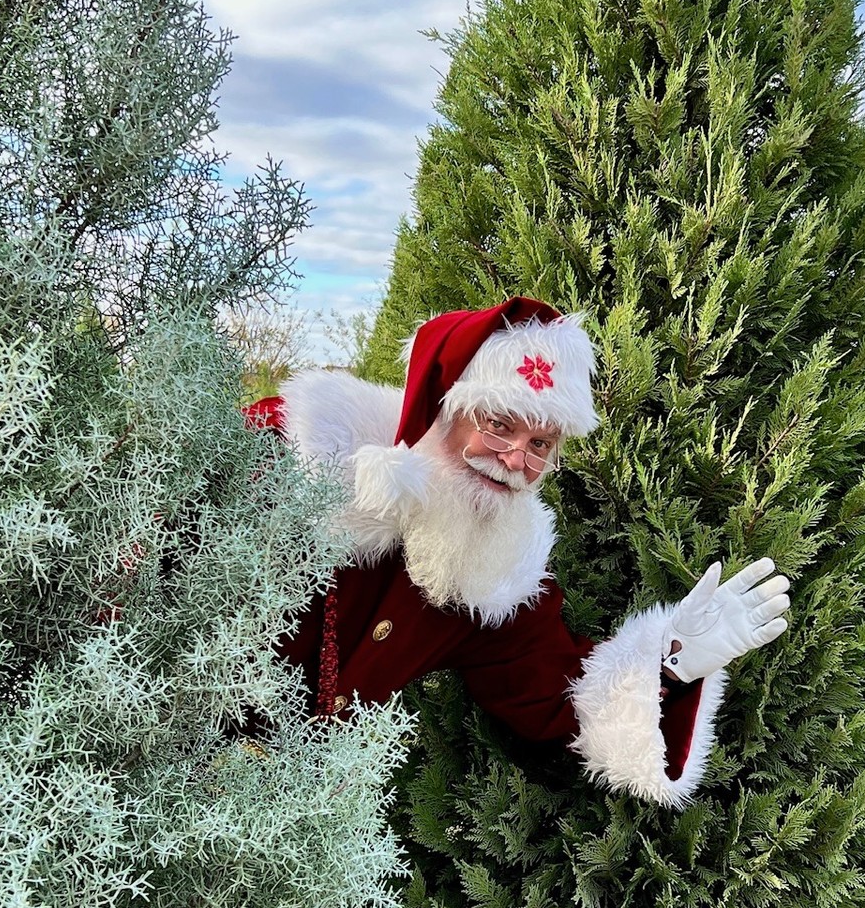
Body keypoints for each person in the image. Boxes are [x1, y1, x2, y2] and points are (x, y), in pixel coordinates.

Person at [247, 298, 790, 807]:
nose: (514, 460)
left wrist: (671, 662)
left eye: (540, 445)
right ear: (444, 409)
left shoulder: (501, 560)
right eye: (499, 424)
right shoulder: (292, 447)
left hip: (283, 811)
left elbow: (554, 694)